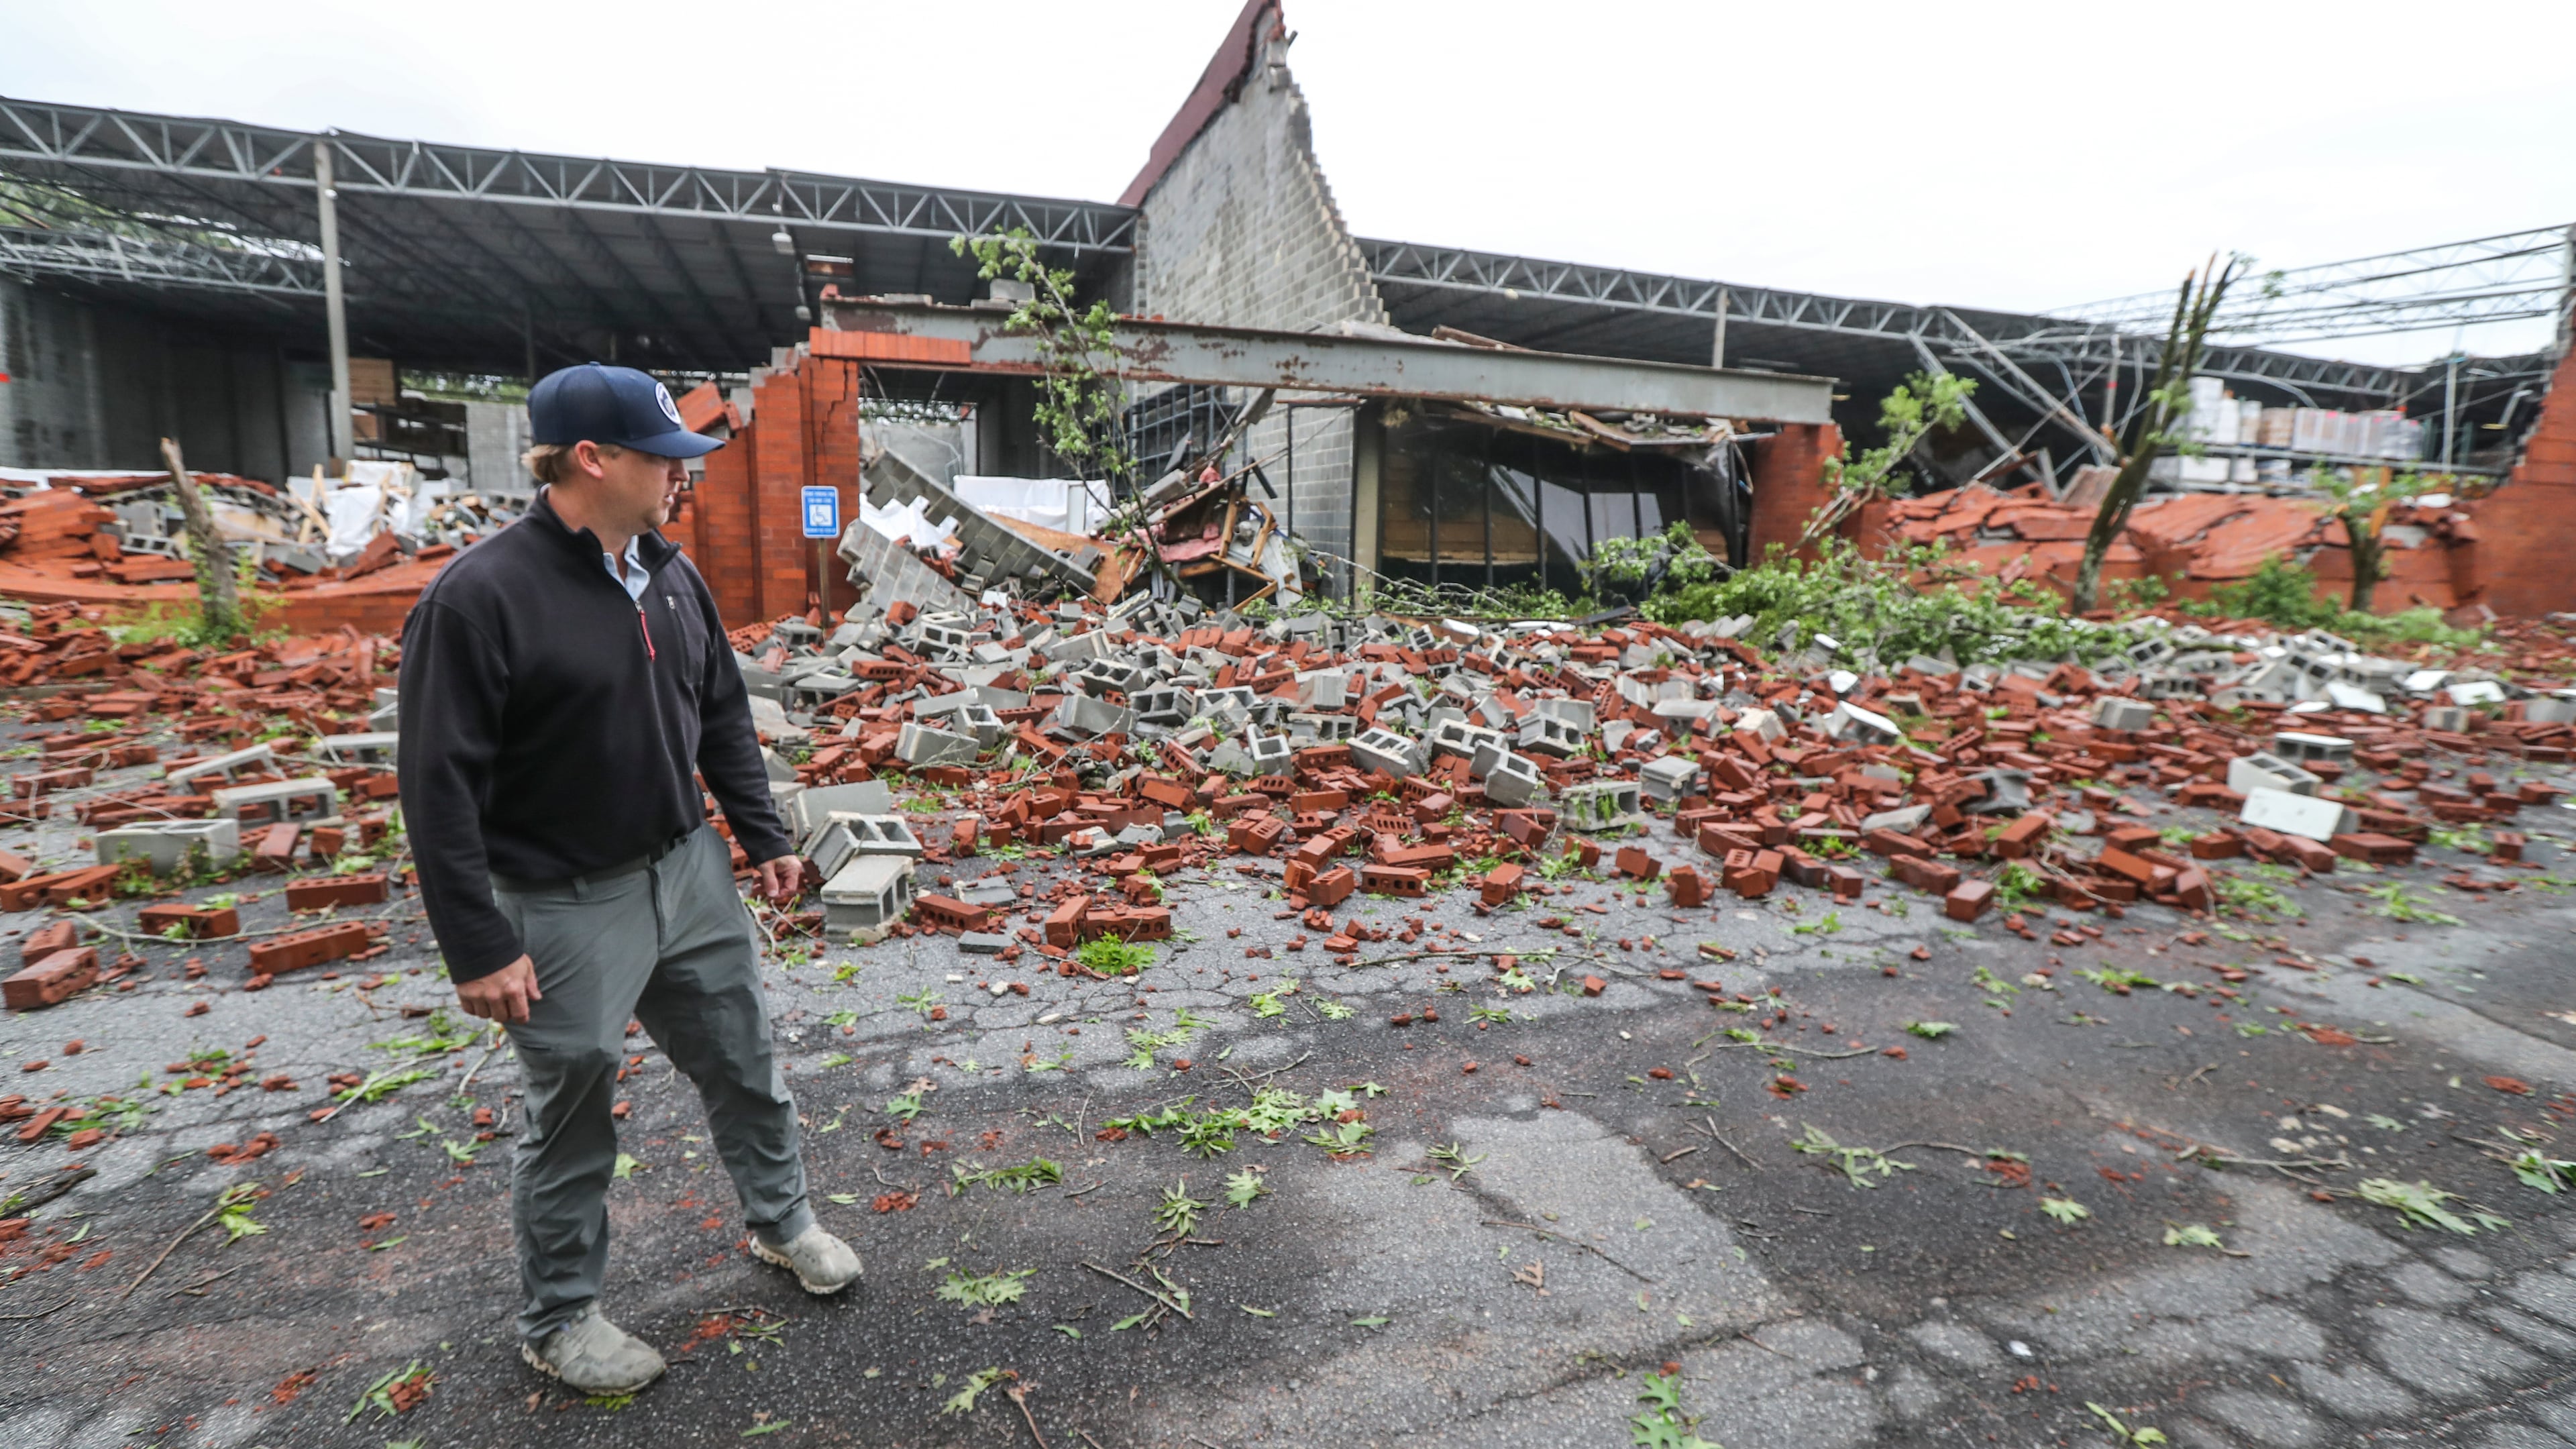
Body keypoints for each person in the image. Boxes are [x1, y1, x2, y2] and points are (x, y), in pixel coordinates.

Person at [397, 362, 858, 1397]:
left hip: (686, 872)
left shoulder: (668, 571)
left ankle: (782, 1223)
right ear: (593, 460)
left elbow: (723, 712)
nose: (680, 475)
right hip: (562, 904)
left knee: (746, 1061)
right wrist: (478, 942)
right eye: (663, 457)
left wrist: (758, 831)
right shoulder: (478, 602)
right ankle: (560, 1318)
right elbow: (436, 789)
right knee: (571, 1113)